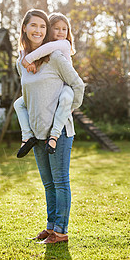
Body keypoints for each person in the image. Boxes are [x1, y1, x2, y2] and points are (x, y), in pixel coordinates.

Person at [14, 9, 84, 244]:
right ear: (24, 28)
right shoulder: (21, 62)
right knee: (48, 183)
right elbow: (26, 96)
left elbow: (78, 85)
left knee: (60, 182)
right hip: (36, 133)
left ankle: (61, 231)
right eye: (34, 25)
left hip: (60, 132)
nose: (38, 30)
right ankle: (51, 226)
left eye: (43, 27)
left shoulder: (55, 57)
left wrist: (65, 113)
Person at [14, 13, 76, 157]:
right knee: (18, 104)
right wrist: (27, 58)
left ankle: (54, 136)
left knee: (66, 100)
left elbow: (44, 50)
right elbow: (38, 53)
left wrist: (28, 59)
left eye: (64, 29)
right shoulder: (46, 50)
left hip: (65, 87)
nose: (60, 32)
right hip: (50, 94)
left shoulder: (62, 44)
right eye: (56, 29)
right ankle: (27, 136)